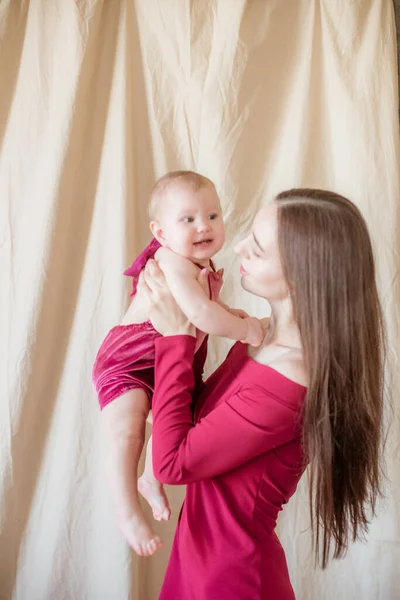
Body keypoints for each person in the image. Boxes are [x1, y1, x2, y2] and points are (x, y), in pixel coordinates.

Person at [136, 188, 386, 599]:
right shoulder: (258, 334)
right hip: (196, 561)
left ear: (304, 273)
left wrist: (176, 337)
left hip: (232, 580)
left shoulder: (290, 378)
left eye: (257, 247)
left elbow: (171, 463)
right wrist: (192, 325)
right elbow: (190, 417)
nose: (237, 247)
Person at [92, 171, 264, 557]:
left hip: (169, 361)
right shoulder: (170, 259)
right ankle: (125, 509)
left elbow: (206, 310)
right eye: (188, 219)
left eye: (213, 216)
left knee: (184, 423)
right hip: (128, 361)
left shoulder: (197, 262)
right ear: (161, 232)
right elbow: (201, 315)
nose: (204, 226)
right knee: (127, 432)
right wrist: (247, 328)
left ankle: (151, 479)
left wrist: (230, 313)